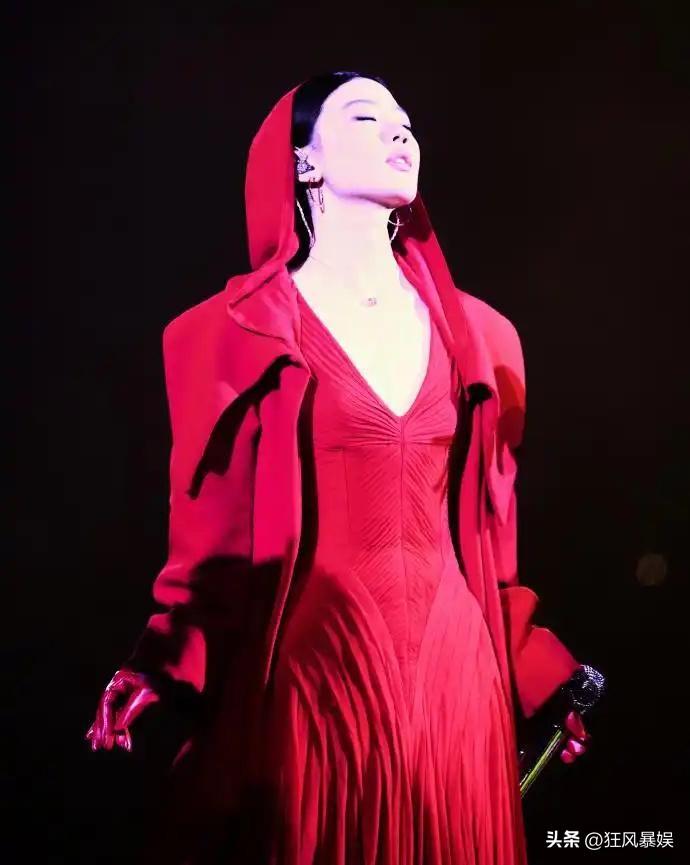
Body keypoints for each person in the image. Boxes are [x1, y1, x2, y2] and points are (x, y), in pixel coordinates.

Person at [86, 71, 591, 864]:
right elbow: (212, 545)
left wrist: (537, 670)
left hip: (458, 687)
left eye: (406, 122)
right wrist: (163, 660)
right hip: (316, 682)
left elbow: (493, 543)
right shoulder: (230, 334)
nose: (400, 133)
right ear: (303, 161)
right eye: (365, 117)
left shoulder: (482, 339)